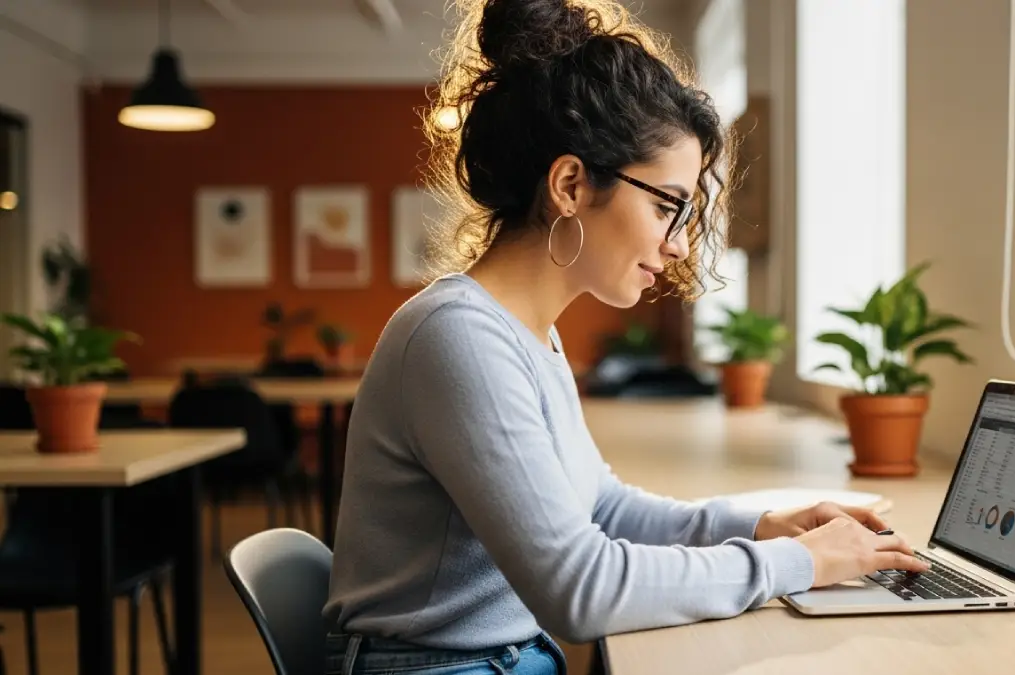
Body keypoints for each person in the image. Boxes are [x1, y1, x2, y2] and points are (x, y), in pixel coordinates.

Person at [322, 0, 929, 672]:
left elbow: (601, 507)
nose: (677, 246)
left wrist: (762, 527)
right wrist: (796, 563)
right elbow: (579, 591)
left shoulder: (523, 334)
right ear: (571, 184)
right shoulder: (457, 338)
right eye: (667, 205)